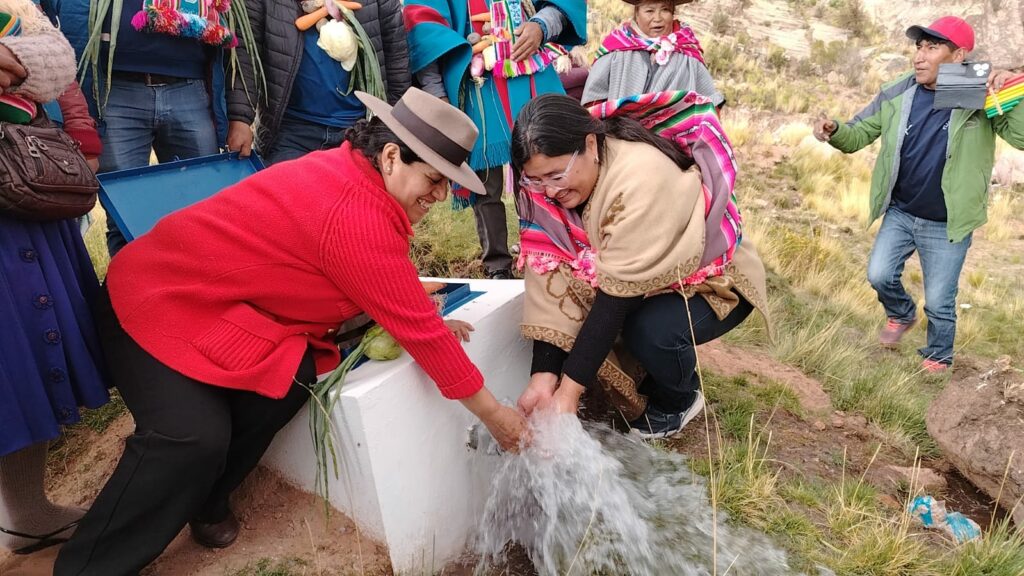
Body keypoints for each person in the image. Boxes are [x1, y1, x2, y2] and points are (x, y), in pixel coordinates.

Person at [53, 88, 529, 575]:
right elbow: (415, 326)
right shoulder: (356, 211)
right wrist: (495, 416)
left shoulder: (355, 174)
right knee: (191, 438)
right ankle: (88, 566)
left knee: (290, 374)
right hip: (155, 297)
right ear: (390, 157)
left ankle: (205, 498)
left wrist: (415, 306)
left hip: (219, 305)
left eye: (448, 183)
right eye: (434, 179)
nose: (441, 196)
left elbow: (379, 281)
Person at [510, 94, 768, 437]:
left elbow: (615, 301)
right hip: (641, 280)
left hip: (710, 280)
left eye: (556, 176)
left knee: (650, 332)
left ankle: (679, 399)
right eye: (536, 180)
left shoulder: (639, 179)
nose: (549, 191)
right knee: (590, 304)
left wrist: (569, 393)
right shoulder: (547, 186)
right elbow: (549, 270)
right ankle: (649, 369)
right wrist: (543, 379)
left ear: (590, 144)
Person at [813, 16, 1024, 372]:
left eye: (932, 48)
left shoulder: (977, 89)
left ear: (959, 56)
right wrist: (834, 130)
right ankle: (901, 313)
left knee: (940, 302)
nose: (919, 57)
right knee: (879, 275)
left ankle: (938, 354)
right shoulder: (901, 90)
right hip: (901, 211)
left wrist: (1013, 93)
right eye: (919, 47)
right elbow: (858, 134)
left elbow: (1020, 137)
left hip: (947, 221)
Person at [0, 0, 110, 556]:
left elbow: (58, 63)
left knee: (20, 360)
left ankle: (28, 514)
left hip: (19, 185)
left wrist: (12, 57)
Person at [404, 0, 587, 279]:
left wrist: (542, 25)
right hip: (474, 81)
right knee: (485, 183)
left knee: (544, 169)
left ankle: (551, 255)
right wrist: (437, 92)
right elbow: (424, 24)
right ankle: (498, 266)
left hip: (528, 71)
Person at [47, 0, 240, 256]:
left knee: (203, 212)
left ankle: (198, 280)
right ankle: (132, 282)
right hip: (115, 89)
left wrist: (240, 116)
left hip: (190, 87)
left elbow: (241, 39)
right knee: (126, 218)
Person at [225, 0, 411, 165]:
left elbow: (396, 59)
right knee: (289, 192)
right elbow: (245, 56)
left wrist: (393, 127)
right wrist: (240, 119)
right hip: (290, 131)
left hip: (359, 130)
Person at [581, 0, 722, 108]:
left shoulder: (688, 52)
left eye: (665, 10)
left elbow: (709, 105)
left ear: (672, 14)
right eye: (649, 11)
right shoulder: (615, 47)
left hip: (673, 136)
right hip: (619, 133)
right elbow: (593, 101)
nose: (657, 18)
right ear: (637, 14)